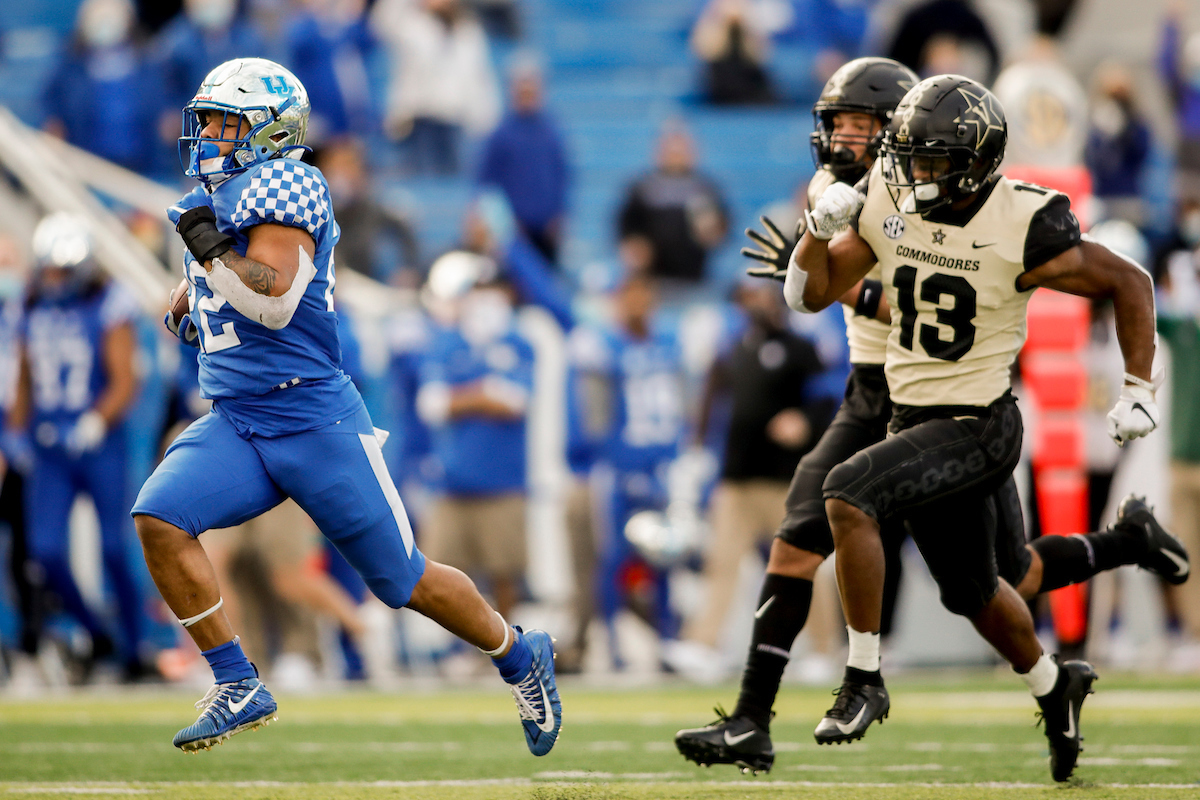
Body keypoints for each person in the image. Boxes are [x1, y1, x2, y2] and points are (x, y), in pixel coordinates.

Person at [674, 60, 1189, 779]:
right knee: (982, 588)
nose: (855, 142)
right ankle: (1056, 674)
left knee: (855, 497)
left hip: (970, 411)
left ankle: (858, 678)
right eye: (841, 124)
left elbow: (1114, 282)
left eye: (866, 126)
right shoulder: (887, 190)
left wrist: (1139, 385)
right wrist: (813, 242)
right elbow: (810, 293)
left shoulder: (1020, 217)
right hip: (897, 404)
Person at [131, 58, 559, 755]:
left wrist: (209, 254)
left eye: (223, 121)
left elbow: (271, 299)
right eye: (206, 118)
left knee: (404, 580)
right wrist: (193, 307)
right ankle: (236, 679)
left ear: (268, 132)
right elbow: (211, 306)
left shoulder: (287, 183)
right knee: (159, 518)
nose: (207, 132)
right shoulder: (220, 193)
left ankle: (518, 653)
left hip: (312, 419)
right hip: (239, 419)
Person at [665, 278, 829, 678]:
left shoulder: (800, 349)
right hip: (736, 479)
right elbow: (711, 397)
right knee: (721, 563)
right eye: (746, 297)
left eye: (759, 294)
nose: (753, 303)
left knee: (803, 564)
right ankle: (703, 645)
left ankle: (825, 650)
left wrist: (803, 421)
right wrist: (697, 447)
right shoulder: (734, 348)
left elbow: (828, 400)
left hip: (784, 481)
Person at [9, 213, 149, 681]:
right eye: (48, 269)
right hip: (50, 447)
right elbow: (25, 377)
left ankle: (135, 650)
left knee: (114, 548)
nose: (54, 279)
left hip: (99, 443)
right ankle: (98, 633)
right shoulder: (29, 303)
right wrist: (16, 431)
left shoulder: (109, 302)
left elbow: (125, 377)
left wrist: (94, 421)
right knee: (44, 552)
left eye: (63, 270)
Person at [416, 253, 535, 623]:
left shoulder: (517, 342)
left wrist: (462, 398)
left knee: (504, 572)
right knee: (445, 572)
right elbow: (431, 405)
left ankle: (510, 648)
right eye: (478, 290)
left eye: (492, 289)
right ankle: (457, 653)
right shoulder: (447, 342)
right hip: (452, 481)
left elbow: (516, 402)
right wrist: (484, 393)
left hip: (504, 481)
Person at [371, 0, 501, 175]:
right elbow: (380, 22)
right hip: (418, 120)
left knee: (453, 185)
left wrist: (485, 121)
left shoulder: (469, 30)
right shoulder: (408, 24)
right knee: (421, 184)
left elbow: (479, 76)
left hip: (455, 121)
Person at [476, 55, 570, 266]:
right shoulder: (501, 134)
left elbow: (561, 176)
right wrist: (504, 222)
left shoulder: (552, 132)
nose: (528, 95)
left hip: (546, 231)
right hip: (515, 230)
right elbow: (487, 184)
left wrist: (560, 214)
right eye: (523, 90)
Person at [617, 121, 730, 286]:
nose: (675, 155)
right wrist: (634, 245)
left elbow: (723, 227)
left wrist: (714, 233)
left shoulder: (706, 188)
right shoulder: (643, 187)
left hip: (693, 278)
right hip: (651, 281)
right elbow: (627, 226)